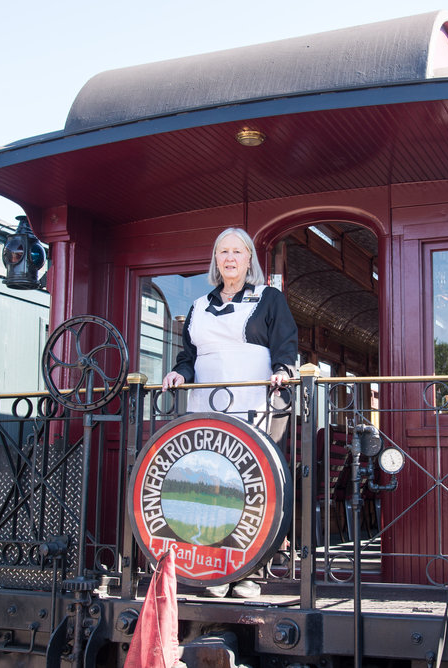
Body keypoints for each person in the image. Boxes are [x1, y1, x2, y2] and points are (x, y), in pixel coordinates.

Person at [161, 227, 298, 598]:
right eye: (223, 252)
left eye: (237, 252)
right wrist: (178, 372)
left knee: (251, 486)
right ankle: (212, 567)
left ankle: (249, 572)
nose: (230, 258)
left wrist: (283, 371)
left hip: (254, 402)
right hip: (206, 405)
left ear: (249, 259)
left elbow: (286, 346)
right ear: (216, 260)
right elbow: (188, 357)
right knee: (209, 484)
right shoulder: (199, 306)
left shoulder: (269, 299)